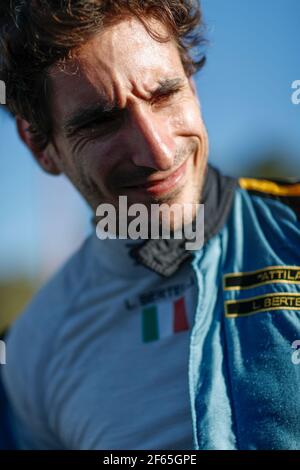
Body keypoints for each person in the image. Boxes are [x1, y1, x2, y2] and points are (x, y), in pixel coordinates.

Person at [1, 0, 299, 450]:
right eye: (101, 121)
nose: (158, 152)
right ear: (41, 146)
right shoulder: (31, 349)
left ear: (193, 87)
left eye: (165, 94)